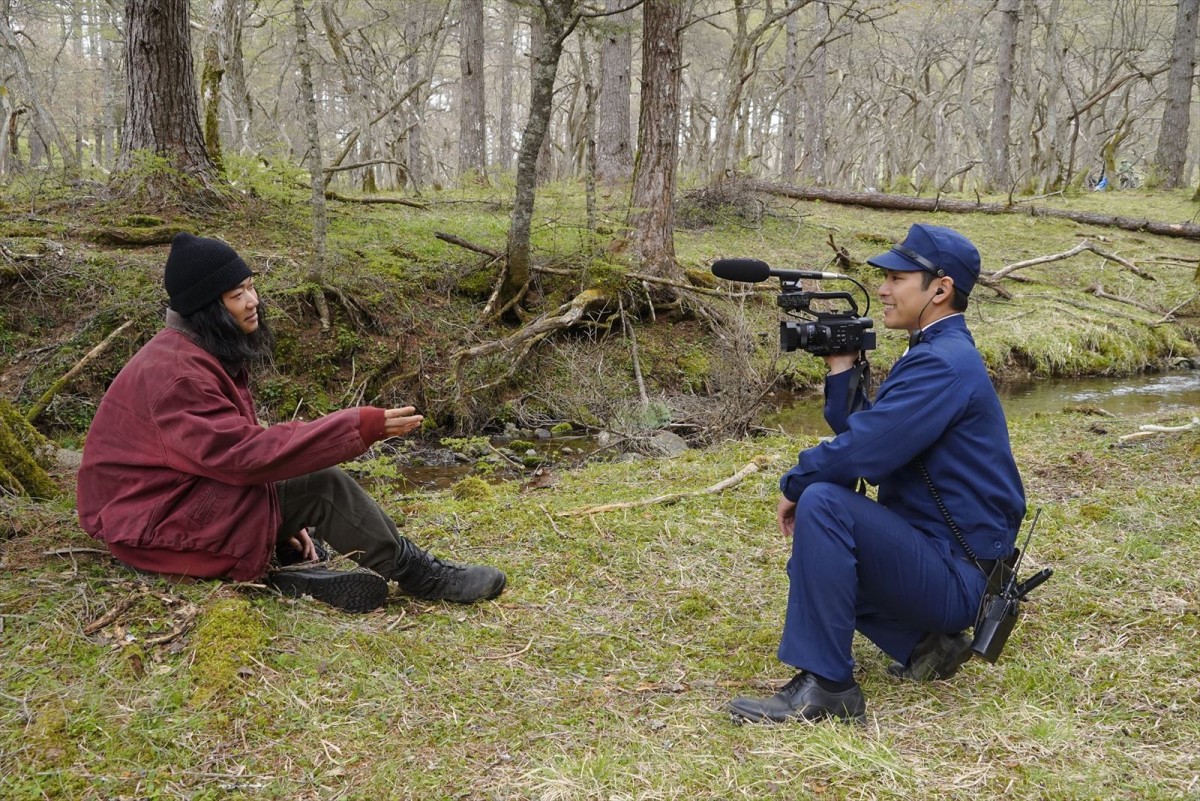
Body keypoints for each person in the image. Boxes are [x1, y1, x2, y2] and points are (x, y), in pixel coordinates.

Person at [77, 232, 507, 613]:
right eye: (236, 295)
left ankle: (281, 564)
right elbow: (242, 456)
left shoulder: (195, 352)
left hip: (163, 511)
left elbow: (222, 454)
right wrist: (355, 425)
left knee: (299, 494)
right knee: (321, 483)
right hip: (154, 532)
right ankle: (422, 576)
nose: (253, 301)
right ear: (207, 308)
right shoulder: (178, 375)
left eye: (250, 286)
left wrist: (280, 512)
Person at [728, 223, 1026, 724]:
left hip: (958, 575)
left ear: (940, 289)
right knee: (819, 557)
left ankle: (829, 688)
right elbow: (876, 434)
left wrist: (796, 483)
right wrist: (842, 366)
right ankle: (925, 644)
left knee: (823, 502)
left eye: (896, 278)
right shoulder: (932, 351)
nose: (883, 290)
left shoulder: (943, 365)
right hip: (948, 560)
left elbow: (862, 453)